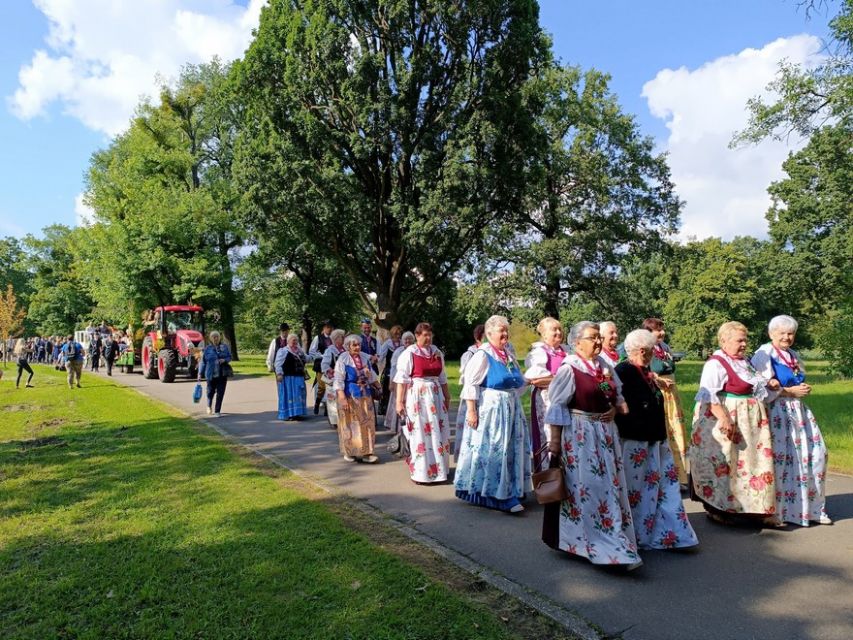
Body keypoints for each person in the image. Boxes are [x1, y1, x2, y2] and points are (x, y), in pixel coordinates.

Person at [542, 321, 640, 569]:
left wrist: (612, 410)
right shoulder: (569, 369)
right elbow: (557, 406)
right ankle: (597, 543)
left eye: (599, 337)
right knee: (588, 488)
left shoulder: (602, 367)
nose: (598, 342)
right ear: (577, 343)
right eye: (592, 337)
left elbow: (609, 393)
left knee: (608, 486)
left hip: (604, 434)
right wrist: (555, 442)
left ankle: (613, 538)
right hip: (580, 435)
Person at [689, 321, 780, 526]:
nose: (744, 344)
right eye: (739, 340)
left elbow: (755, 386)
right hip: (727, 418)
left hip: (749, 422)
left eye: (745, 340)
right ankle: (719, 508)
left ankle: (755, 509)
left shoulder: (744, 362)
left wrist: (768, 383)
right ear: (724, 341)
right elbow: (708, 394)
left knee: (750, 466)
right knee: (724, 464)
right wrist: (724, 418)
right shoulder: (716, 363)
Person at [615, 329, 699, 550]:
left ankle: (673, 533)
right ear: (642, 350)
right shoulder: (623, 370)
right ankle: (637, 535)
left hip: (654, 438)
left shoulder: (644, 370)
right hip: (636, 440)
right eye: (651, 350)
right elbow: (616, 399)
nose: (654, 354)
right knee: (637, 490)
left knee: (663, 488)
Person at [752, 315, 831, 526]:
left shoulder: (792, 354)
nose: (787, 337)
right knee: (782, 459)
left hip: (798, 412)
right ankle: (779, 510)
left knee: (814, 455)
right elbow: (757, 386)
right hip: (777, 411)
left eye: (790, 333)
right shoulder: (765, 353)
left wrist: (801, 389)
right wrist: (788, 391)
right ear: (771, 334)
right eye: (782, 333)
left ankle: (811, 508)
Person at [454, 315, 531, 513]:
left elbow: (518, 382)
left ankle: (510, 489)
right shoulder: (483, 354)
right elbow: (470, 383)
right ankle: (497, 494)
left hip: (511, 407)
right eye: (501, 331)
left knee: (511, 449)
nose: (505, 334)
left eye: (506, 330)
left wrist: (534, 380)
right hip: (493, 409)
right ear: (488, 334)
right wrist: (471, 411)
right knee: (496, 450)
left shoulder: (508, 354)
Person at [394, 323, 451, 483]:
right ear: (417, 335)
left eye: (430, 335)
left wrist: (447, 397)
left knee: (438, 431)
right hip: (418, 396)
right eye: (425, 335)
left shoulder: (437, 352)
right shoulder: (409, 353)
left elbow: (442, 377)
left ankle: (439, 469)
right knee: (420, 432)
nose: (428, 338)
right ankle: (421, 472)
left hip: (436, 396)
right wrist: (399, 402)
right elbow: (402, 379)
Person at [642, 318, 689, 485]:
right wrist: (659, 374)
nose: (661, 333)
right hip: (658, 391)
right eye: (657, 330)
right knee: (663, 431)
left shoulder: (665, 348)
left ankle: (679, 474)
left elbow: (669, 367)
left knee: (675, 431)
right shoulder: (646, 349)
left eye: (662, 329)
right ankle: (663, 475)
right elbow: (653, 369)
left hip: (671, 393)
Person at [524, 317, 568, 471]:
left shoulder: (566, 350)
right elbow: (536, 380)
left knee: (565, 435)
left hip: (565, 398)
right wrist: (561, 379)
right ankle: (547, 475)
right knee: (548, 435)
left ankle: (565, 477)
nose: (558, 332)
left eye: (559, 329)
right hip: (546, 398)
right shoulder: (539, 353)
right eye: (553, 329)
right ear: (543, 334)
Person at [334, 334, 381, 463]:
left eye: (359, 344)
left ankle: (367, 453)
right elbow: (338, 380)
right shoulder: (343, 359)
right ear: (348, 346)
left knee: (367, 423)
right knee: (351, 424)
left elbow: (372, 377)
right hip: (350, 396)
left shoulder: (364, 358)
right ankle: (351, 452)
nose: (357, 347)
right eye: (354, 345)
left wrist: (379, 387)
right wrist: (342, 398)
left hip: (365, 395)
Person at [453, 324, 484, 461]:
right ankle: (467, 460)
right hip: (472, 395)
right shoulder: (470, 354)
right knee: (471, 428)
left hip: (486, 395)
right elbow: (467, 378)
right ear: (478, 338)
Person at [385, 331, 415, 455]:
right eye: (405, 340)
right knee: (399, 404)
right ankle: (399, 430)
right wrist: (392, 382)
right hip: (400, 382)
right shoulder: (398, 352)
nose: (407, 342)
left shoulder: (415, 350)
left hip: (412, 383)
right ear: (402, 341)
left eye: (409, 339)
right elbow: (393, 368)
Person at [275, 333, 308, 421]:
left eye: (296, 340)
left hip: (299, 376)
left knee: (299, 394)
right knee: (290, 395)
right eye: (293, 340)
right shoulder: (283, 351)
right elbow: (278, 363)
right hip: (288, 378)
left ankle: (297, 413)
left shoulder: (299, 350)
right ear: (288, 341)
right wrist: (279, 373)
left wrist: (316, 356)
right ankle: (290, 414)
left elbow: (306, 358)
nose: (295, 342)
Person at [199, 330, 231, 417]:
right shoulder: (207, 349)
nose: (215, 338)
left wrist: (224, 360)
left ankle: (217, 411)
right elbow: (203, 362)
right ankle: (209, 406)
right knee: (210, 392)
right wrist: (199, 373)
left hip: (222, 374)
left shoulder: (224, 347)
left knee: (220, 393)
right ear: (211, 338)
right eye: (213, 337)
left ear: (219, 337)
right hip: (211, 374)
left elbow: (229, 357)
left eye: (216, 336)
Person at [321, 329, 346, 429]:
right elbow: (324, 365)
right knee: (332, 401)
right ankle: (334, 421)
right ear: (336, 339)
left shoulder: (345, 350)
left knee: (342, 399)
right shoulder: (330, 350)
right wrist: (330, 371)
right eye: (342, 337)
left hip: (343, 379)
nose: (344, 339)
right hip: (333, 380)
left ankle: (343, 419)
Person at [308, 320, 334, 415]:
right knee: (322, 387)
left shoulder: (333, 339)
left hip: (331, 366)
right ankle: (317, 403)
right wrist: (322, 356)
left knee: (330, 386)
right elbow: (312, 351)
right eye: (327, 327)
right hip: (320, 366)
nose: (329, 329)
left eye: (330, 327)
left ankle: (328, 409)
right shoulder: (318, 338)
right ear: (323, 328)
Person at [378, 325, 403, 415]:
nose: (398, 336)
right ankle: (388, 413)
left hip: (401, 372)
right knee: (387, 392)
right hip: (389, 370)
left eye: (399, 334)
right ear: (392, 334)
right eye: (396, 334)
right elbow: (381, 357)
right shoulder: (387, 344)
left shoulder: (402, 344)